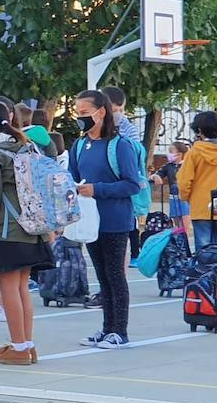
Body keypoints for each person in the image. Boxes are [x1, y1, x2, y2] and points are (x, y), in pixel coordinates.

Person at [0, 101, 53, 365]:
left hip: (9, 229)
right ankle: (26, 344)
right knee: (22, 289)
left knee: (8, 289)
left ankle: (18, 348)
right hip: (34, 228)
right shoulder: (27, 146)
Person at [70, 89, 142, 349]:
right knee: (101, 276)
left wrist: (97, 189)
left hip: (114, 220)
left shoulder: (120, 145)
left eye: (84, 113)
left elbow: (132, 184)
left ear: (101, 113)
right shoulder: (79, 145)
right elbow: (72, 176)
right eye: (77, 113)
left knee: (115, 275)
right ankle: (106, 328)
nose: (80, 118)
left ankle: (119, 330)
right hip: (89, 220)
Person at [103, 85, 150, 267]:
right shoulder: (93, 133)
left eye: (121, 110)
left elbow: (136, 155)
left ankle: (134, 255)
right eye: (114, 110)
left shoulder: (128, 130)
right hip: (104, 193)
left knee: (126, 231)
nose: (118, 114)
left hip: (122, 190)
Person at [178, 111, 217, 251]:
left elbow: (184, 181)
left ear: (199, 130)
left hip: (200, 205)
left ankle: (205, 271)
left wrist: (187, 197)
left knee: (203, 247)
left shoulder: (194, 152)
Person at [151, 140, 192, 231]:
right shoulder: (168, 166)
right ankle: (178, 241)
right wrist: (155, 176)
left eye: (171, 152)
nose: (168, 154)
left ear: (180, 154)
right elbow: (158, 174)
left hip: (185, 197)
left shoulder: (187, 165)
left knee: (185, 225)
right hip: (173, 197)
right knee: (176, 224)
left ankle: (185, 242)